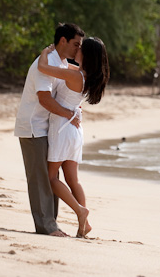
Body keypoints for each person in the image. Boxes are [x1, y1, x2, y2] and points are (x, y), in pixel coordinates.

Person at [14, 23, 85, 237]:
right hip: (33, 126)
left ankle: (51, 223)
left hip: (50, 127)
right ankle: (46, 226)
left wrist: (73, 109)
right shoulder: (44, 63)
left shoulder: (60, 62)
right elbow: (44, 99)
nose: (77, 49)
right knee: (39, 178)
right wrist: (69, 114)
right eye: (75, 44)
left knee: (49, 176)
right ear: (62, 41)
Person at [37, 36, 110, 238]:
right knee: (73, 180)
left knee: (51, 177)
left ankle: (80, 211)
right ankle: (84, 224)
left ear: (85, 54)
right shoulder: (84, 76)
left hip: (63, 128)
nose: (76, 48)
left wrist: (46, 51)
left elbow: (43, 68)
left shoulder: (75, 76)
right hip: (75, 131)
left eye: (80, 47)